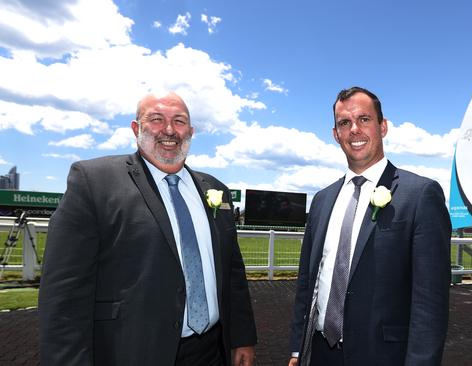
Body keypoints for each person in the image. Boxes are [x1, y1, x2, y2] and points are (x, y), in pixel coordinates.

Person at [39, 91, 257, 366]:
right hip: (131, 351)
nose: (169, 130)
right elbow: (64, 293)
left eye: (179, 121)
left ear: (190, 131)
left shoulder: (215, 189)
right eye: (156, 119)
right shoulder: (94, 182)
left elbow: (233, 274)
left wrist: (241, 337)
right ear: (136, 128)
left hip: (211, 352)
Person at [289, 87, 451, 366]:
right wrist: (296, 350)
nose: (354, 129)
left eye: (364, 119)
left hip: (384, 357)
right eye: (344, 123)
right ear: (335, 134)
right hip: (319, 355)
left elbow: (430, 301)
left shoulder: (421, 195)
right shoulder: (321, 201)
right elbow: (307, 283)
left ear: (383, 126)